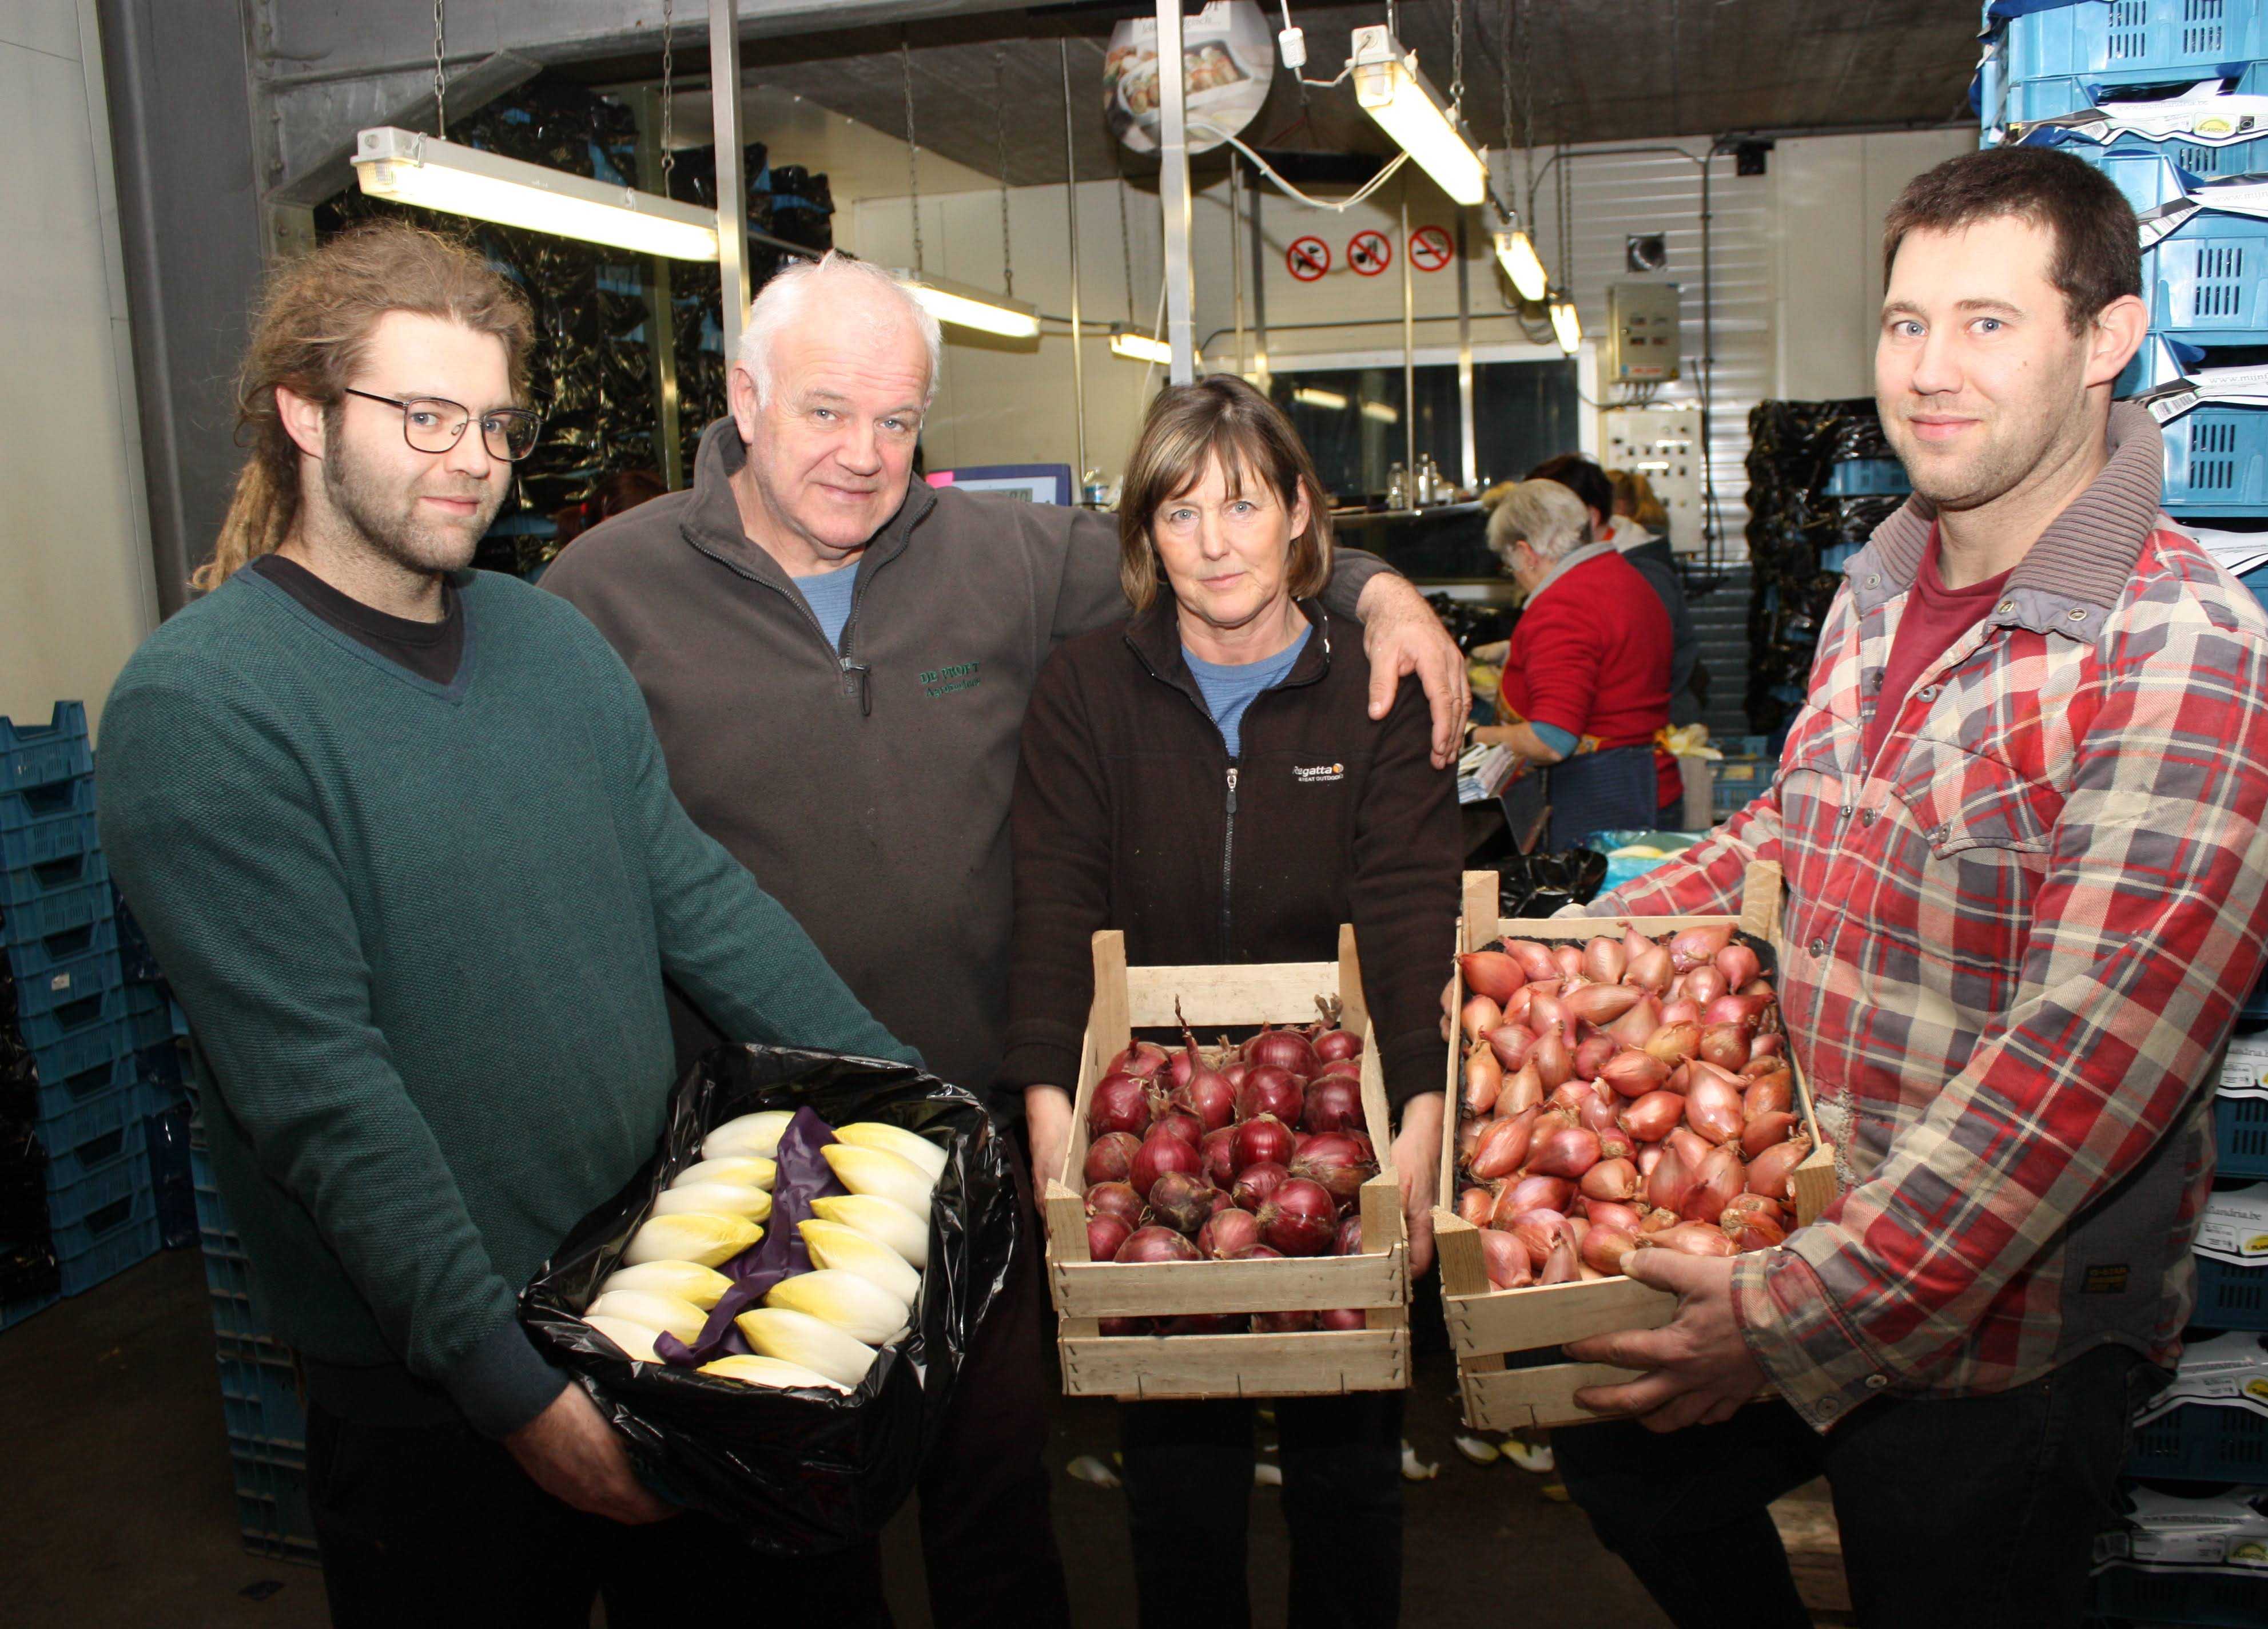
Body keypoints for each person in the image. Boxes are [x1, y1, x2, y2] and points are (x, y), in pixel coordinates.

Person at [540, 250, 1465, 1628]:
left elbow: (1214, 534)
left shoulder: (1002, 557)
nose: (865, 454)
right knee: (793, 1505)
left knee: (992, 1493)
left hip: (970, 1124)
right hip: (758, 1140)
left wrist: (1384, 592)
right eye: (825, 411)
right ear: (742, 395)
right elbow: (565, 863)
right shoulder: (601, 590)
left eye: (898, 419)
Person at [95, 221, 918, 1628]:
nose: (472, 456)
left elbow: (698, 898)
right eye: (422, 414)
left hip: (663, 1291)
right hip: (437, 1374)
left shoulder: (547, 641)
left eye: (492, 419)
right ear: (302, 411)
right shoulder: (208, 708)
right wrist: (509, 1385)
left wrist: (912, 1099)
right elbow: (318, 1091)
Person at [1551, 145, 2268, 1628]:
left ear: (2108, 340)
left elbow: (2066, 1089)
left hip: (2001, 1334)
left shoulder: (2185, 665)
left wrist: (1782, 1322)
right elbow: (1799, 832)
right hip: (1812, 1215)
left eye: (1987, 321)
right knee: (1623, 1459)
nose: (1929, 370)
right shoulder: (1887, 574)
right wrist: (1566, 943)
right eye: (1907, 323)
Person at [1000, 374, 1458, 1629]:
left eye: (1244, 505)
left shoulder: (1375, 689)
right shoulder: (1086, 689)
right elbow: (1053, 908)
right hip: (1151, 1128)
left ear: (1302, 513)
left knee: (1350, 1467)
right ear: (1146, 534)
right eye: (1182, 513)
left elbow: (1415, 918)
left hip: (1335, 1118)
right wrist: (1051, 1113)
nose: (1215, 544)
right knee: (1177, 1472)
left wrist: (1421, 1120)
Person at [1465, 479, 1679, 848]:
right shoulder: (1622, 576)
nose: (1513, 573)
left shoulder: (1562, 608)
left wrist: (1470, 737)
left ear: (1525, 552)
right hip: (1648, 784)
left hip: (1605, 800)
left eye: (1508, 562)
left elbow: (1551, 740)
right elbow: (1609, 655)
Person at [1530, 451, 1702, 739]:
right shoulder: (1592, 568)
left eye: (1545, 519)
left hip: (1652, 737)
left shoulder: (1643, 575)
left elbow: (1640, 676)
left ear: (1589, 517)